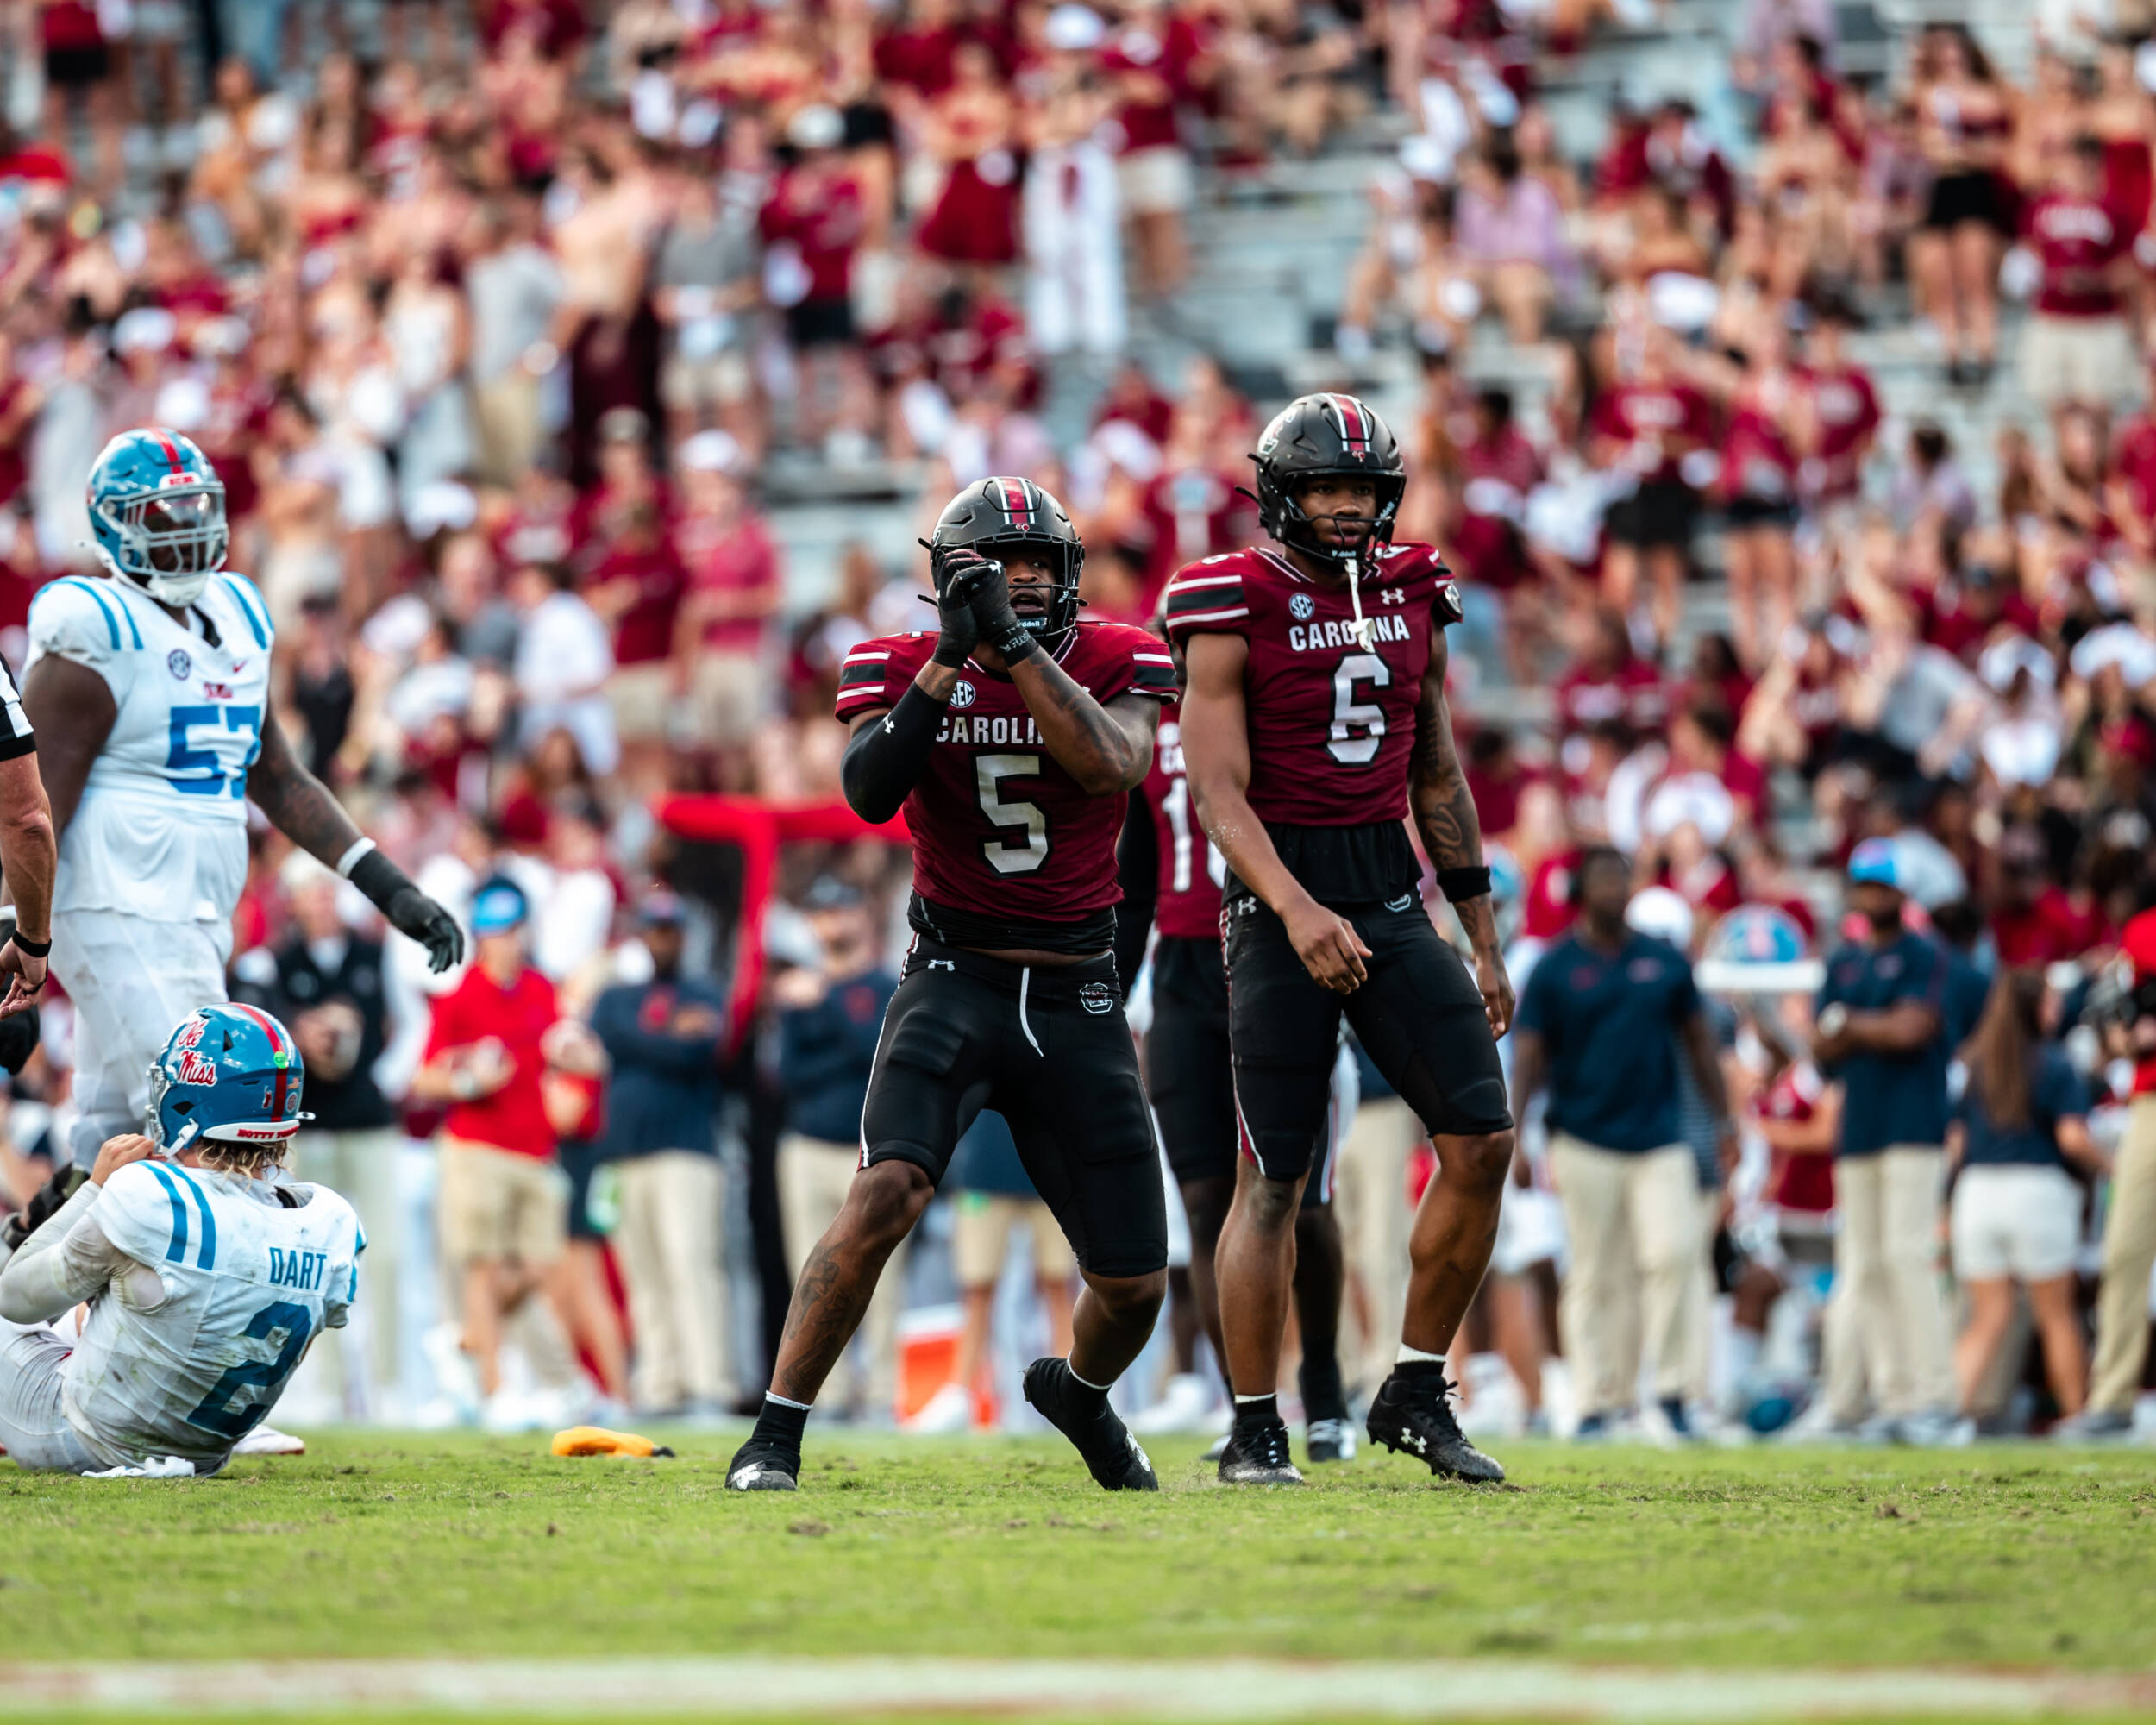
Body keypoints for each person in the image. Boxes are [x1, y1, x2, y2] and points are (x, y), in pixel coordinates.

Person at [726, 476, 1176, 1493]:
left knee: (1135, 1280)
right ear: (948, 579)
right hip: (953, 975)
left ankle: (1080, 1393)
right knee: (885, 1186)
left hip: (1077, 990)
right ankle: (776, 1431)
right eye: (998, 567)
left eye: (1038, 567)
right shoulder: (897, 659)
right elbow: (868, 791)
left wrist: (1014, 652)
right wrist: (945, 663)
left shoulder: (1116, 653)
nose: (1021, 581)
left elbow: (1113, 765)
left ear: (1068, 574)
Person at [1167, 392, 1514, 1486]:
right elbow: (1215, 787)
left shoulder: (1414, 587)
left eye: (1363, 488)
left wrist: (1482, 931)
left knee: (1482, 1136)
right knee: (1272, 1175)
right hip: (1279, 902)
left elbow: (1437, 768)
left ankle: (1413, 1383)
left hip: (1388, 890)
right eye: (1326, 486)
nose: (1347, 506)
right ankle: (1258, 1418)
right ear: (1280, 493)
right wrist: (1293, 908)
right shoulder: (1229, 595)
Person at [21, 430, 464, 1175]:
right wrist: (17, 951)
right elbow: (33, 809)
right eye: (162, 515)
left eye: (195, 506)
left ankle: (22, 1275)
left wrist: (390, 887)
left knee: (117, 1144)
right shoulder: (93, 630)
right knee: (218, 1121)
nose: (187, 527)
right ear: (113, 527)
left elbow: (280, 777)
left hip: (194, 908)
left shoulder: (236, 616)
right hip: (111, 900)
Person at [1116, 656, 1357, 1462]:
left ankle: (1323, 1392)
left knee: (1300, 1196)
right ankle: (1247, 1407)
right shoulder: (1145, 730)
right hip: (1183, 975)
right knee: (1205, 1203)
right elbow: (1138, 870)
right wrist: (1112, 986)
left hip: (1272, 958)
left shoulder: (1282, 712)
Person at [0, 1005, 360, 1474]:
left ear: (192, 1101)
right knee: (115, 1305)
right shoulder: (328, 1220)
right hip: (203, 1455)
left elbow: (14, 1297)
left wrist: (93, 1191)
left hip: (82, 1437)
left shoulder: (151, 1197)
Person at [1509, 849, 1735, 1438]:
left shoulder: (1663, 961)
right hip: (1581, 1137)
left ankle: (1674, 1393)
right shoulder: (1555, 968)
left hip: (1661, 1136)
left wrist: (1725, 1122)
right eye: (1604, 878)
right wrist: (1515, 1136)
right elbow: (1529, 1058)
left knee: (1676, 1255)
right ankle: (1596, 1398)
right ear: (1579, 890)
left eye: (1622, 877)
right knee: (1591, 1272)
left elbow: (1699, 1042)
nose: (1615, 888)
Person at [410, 875, 611, 1425]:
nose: (506, 940)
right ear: (480, 934)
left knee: (539, 1269)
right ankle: (496, 1388)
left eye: (513, 929)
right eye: (496, 930)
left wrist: (579, 1060)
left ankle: (463, 1344)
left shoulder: (541, 990)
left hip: (533, 1149)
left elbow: (569, 1056)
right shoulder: (460, 996)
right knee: (486, 1266)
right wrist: (472, 1079)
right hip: (477, 1149)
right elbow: (423, 1079)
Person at [1811, 840, 1959, 1444]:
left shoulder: (1925, 954)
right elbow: (1821, 1051)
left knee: (1907, 1257)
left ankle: (1932, 1395)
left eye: (1882, 886)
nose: (1872, 895)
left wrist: (1850, 1026)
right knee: (1866, 1266)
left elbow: (1912, 1029)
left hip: (1912, 1126)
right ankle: (1894, 1396)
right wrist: (1856, 1030)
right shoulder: (1843, 963)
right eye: (1864, 885)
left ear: (1902, 894)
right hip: (1861, 1130)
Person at [261, 851, 403, 1421]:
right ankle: (316, 1386)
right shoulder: (275, 965)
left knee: (386, 1256)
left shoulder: (374, 956)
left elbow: (409, 1024)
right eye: (311, 892)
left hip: (369, 1123)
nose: (321, 901)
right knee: (308, 1260)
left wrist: (382, 1080)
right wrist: (303, 1036)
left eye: (327, 890)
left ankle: (388, 1387)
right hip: (311, 1127)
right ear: (294, 902)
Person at [589, 888, 733, 1419]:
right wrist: (663, 1036)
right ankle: (661, 1383)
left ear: (683, 936)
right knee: (643, 1273)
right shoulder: (617, 996)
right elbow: (607, 1033)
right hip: (625, 1151)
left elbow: (698, 1051)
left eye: (670, 930)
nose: (662, 939)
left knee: (691, 1263)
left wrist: (638, 1040)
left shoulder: (703, 991)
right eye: (654, 929)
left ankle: (708, 1383)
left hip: (686, 1150)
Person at [1948, 969, 2103, 1427]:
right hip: (2037, 1191)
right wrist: (2111, 1165)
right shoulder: (2054, 1063)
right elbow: (2073, 1138)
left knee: (1986, 1318)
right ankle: (2077, 1419)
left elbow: (1956, 1143)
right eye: (2051, 1002)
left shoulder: (1975, 1063)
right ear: (2034, 1008)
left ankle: (1946, 1418)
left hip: (1976, 1195)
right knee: (2057, 1316)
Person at [772, 877, 901, 1420]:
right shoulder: (801, 990)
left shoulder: (881, 982)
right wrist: (830, 1013)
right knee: (813, 1276)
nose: (833, 923)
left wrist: (825, 1003)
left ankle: (882, 1395)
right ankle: (828, 1394)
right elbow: (789, 1074)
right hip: (806, 1146)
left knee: (882, 1278)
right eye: (822, 913)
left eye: (841, 909)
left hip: (868, 1153)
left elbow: (875, 1048)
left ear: (860, 916)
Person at [2059, 890, 2156, 1439]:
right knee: (2123, 1249)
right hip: (2150, 1099)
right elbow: (2116, 1024)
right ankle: (2113, 1396)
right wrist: (2128, 1034)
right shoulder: (2142, 930)